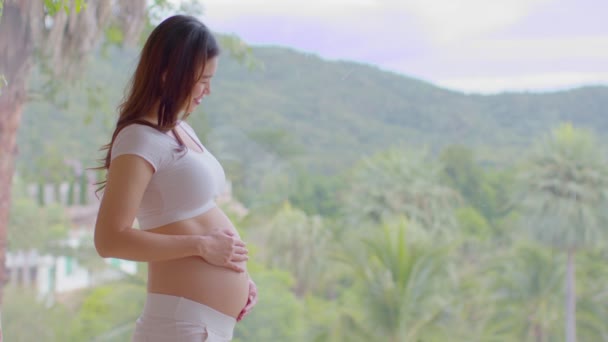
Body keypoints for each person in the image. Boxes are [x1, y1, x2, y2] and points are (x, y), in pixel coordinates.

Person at [93, 15, 257, 342]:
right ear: (170, 74)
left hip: (203, 327)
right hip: (179, 327)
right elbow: (109, 239)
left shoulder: (179, 129)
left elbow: (193, 213)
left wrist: (242, 282)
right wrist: (202, 246)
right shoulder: (139, 138)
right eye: (202, 79)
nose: (208, 90)